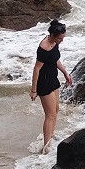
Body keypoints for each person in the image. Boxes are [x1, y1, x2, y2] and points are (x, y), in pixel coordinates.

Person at [30, 19, 73, 150]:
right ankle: (46, 146)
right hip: (44, 82)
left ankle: (51, 135)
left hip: (53, 78)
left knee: (56, 109)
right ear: (53, 35)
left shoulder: (54, 43)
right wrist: (33, 90)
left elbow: (55, 59)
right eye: (60, 38)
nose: (62, 40)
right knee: (50, 115)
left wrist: (65, 72)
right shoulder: (43, 48)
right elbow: (36, 69)